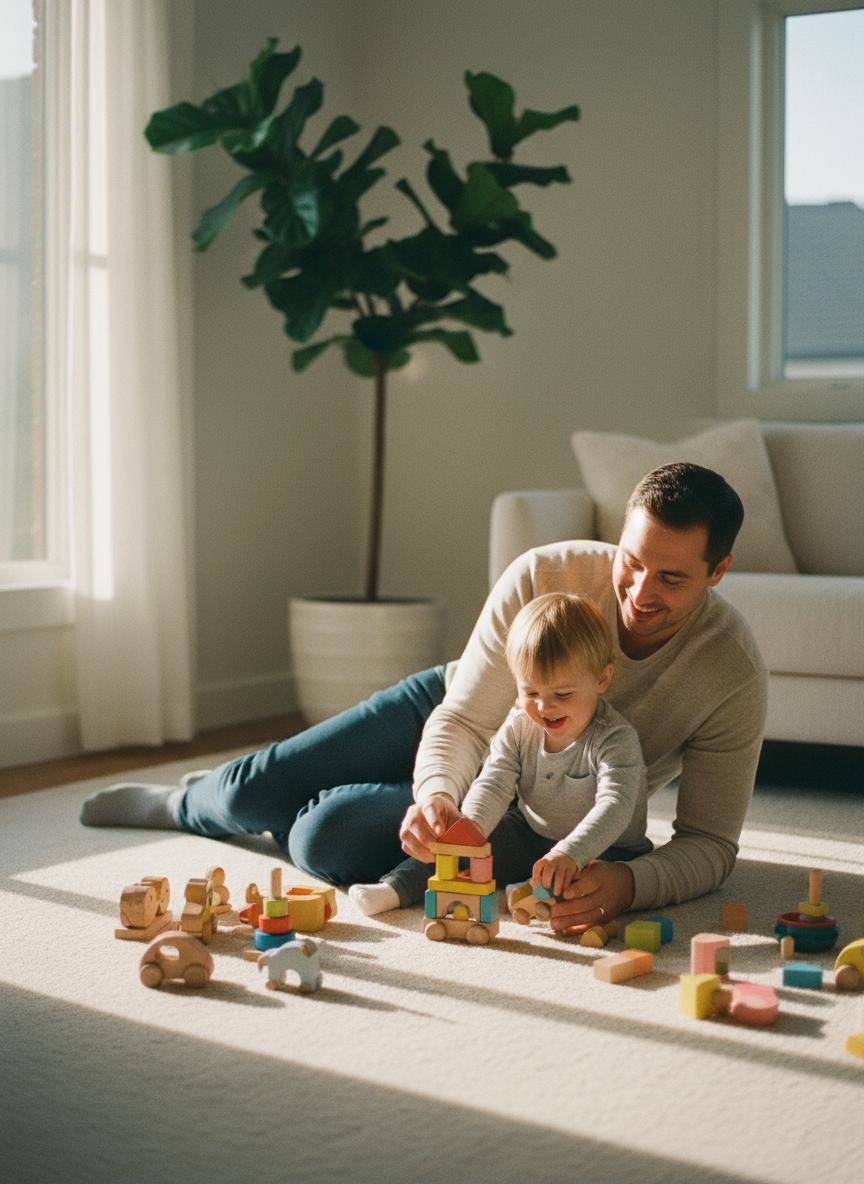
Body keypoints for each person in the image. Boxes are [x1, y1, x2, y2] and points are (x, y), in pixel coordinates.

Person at [80, 462, 767, 934]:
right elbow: (465, 719)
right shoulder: (545, 573)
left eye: (671, 579)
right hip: (461, 714)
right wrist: (438, 796)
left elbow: (709, 843)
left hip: (537, 804)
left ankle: (315, 805)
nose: (639, 593)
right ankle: (184, 803)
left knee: (324, 835)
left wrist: (628, 886)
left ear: (719, 571)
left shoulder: (730, 672)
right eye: (631, 562)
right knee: (249, 792)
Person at [348, 591, 650, 916]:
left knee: (587, 884)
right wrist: (470, 829)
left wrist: (571, 853)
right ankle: (396, 888)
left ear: (602, 679)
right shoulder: (520, 725)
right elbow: (494, 782)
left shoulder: (615, 738)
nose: (544, 707)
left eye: (562, 694)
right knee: (469, 841)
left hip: (606, 848)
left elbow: (615, 806)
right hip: (532, 832)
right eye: (530, 692)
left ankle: (515, 898)